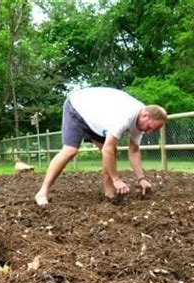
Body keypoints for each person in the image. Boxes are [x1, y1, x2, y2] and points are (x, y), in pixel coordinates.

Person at [34, 87, 167, 206]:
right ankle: (42, 192)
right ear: (145, 115)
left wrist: (141, 179)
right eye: (150, 127)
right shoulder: (125, 116)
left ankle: (109, 193)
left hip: (97, 119)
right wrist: (117, 179)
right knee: (70, 150)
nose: (149, 131)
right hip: (77, 107)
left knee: (111, 150)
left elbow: (134, 151)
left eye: (152, 130)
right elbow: (107, 149)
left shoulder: (141, 122)